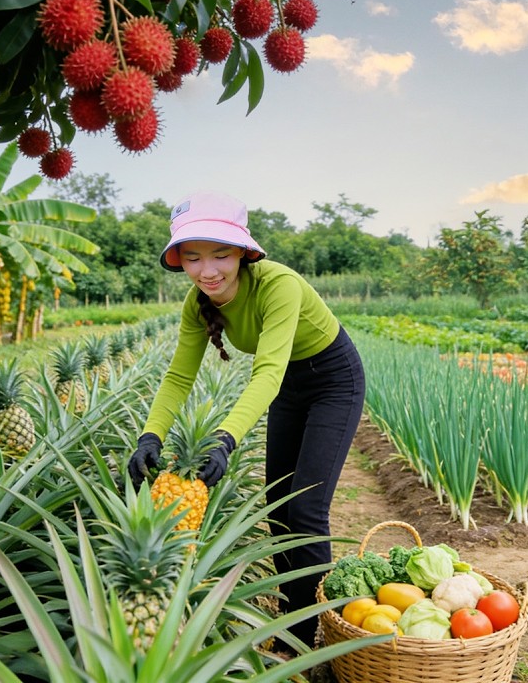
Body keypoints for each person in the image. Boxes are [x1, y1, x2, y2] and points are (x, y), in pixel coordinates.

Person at [126, 191, 366, 653]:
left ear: (242, 252)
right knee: (277, 505)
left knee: (306, 510)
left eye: (220, 254)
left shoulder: (279, 284)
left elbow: (267, 372)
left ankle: (307, 636)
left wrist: (225, 440)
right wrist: (149, 435)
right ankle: (292, 612)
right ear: (180, 260)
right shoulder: (197, 304)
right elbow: (178, 376)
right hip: (288, 386)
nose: (207, 271)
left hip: (333, 381)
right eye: (192, 258)